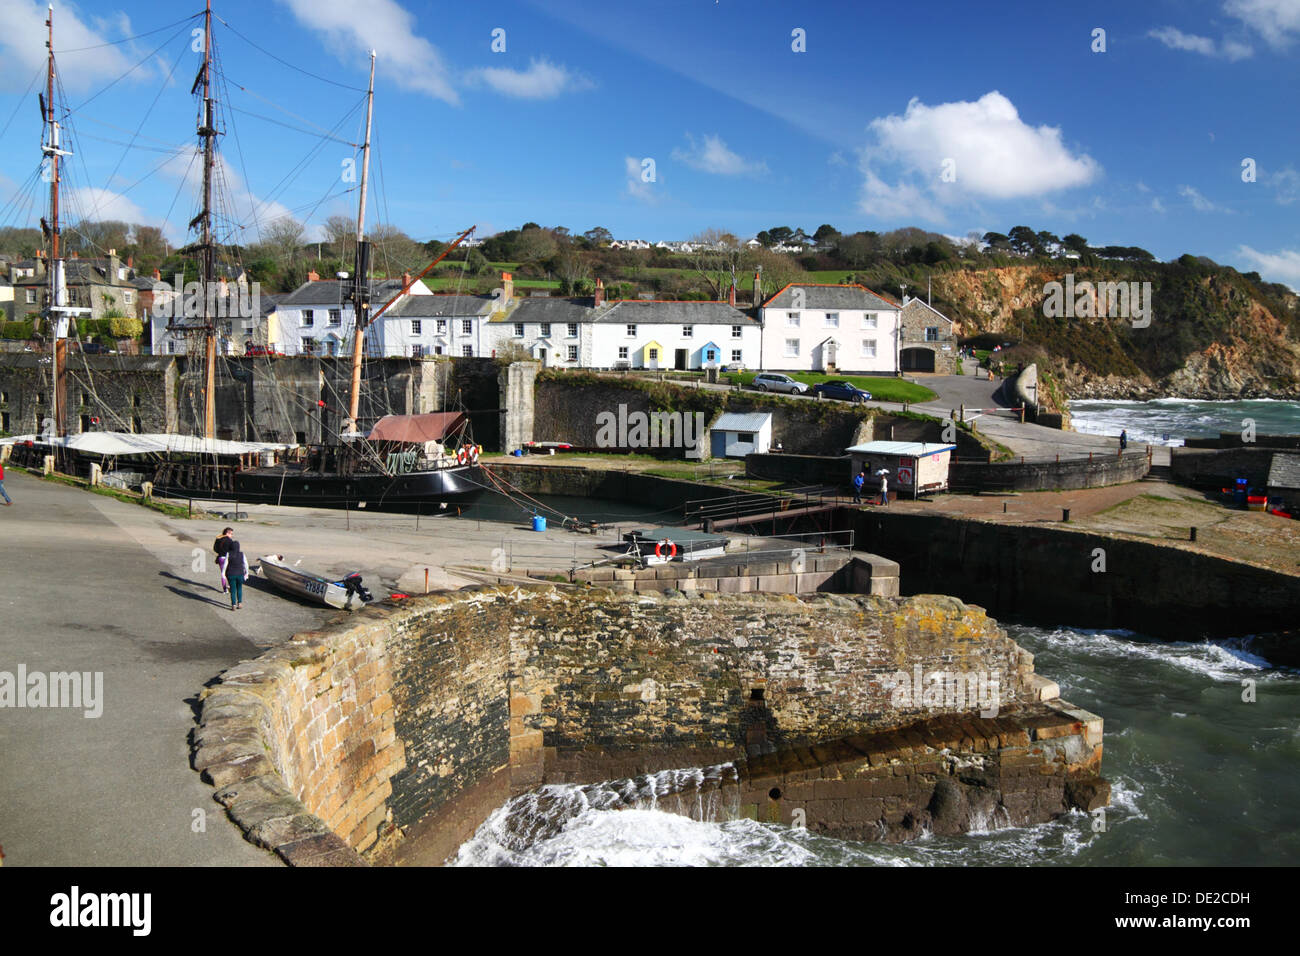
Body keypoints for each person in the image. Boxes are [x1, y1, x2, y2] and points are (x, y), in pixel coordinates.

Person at [224, 533, 248, 610]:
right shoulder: (242, 554)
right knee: (239, 588)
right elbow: (246, 564)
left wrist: (223, 574)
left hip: (231, 574)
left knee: (233, 589)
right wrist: (246, 573)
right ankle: (240, 603)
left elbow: (225, 565)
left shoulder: (228, 554)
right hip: (240, 574)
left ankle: (233, 604)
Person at [213, 527, 233, 593]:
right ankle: (230, 586)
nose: (232, 535)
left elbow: (215, 548)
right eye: (231, 534)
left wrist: (220, 552)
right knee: (229, 573)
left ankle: (225, 590)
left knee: (223, 574)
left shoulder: (218, 539)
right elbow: (232, 550)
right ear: (227, 533)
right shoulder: (230, 541)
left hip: (221, 558)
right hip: (227, 558)